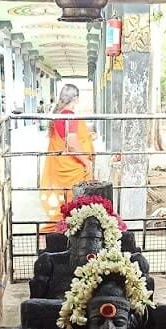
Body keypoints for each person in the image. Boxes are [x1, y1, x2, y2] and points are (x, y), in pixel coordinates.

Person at [40, 84, 94, 231]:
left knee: (66, 206)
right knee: (74, 207)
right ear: (75, 98)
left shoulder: (59, 114)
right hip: (72, 169)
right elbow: (71, 143)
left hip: (62, 168)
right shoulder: (69, 115)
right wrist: (86, 161)